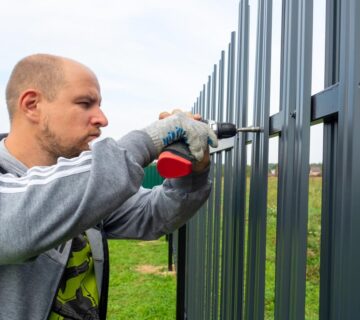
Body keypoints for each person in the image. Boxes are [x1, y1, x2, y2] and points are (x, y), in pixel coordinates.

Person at [0, 54, 218, 320]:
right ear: (32, 105)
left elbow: (151, 215)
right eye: (85, 103)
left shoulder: (84, 188)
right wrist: (148, 141)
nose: (102, 119)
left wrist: (192, 174)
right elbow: (16, 228)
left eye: (99, 105)